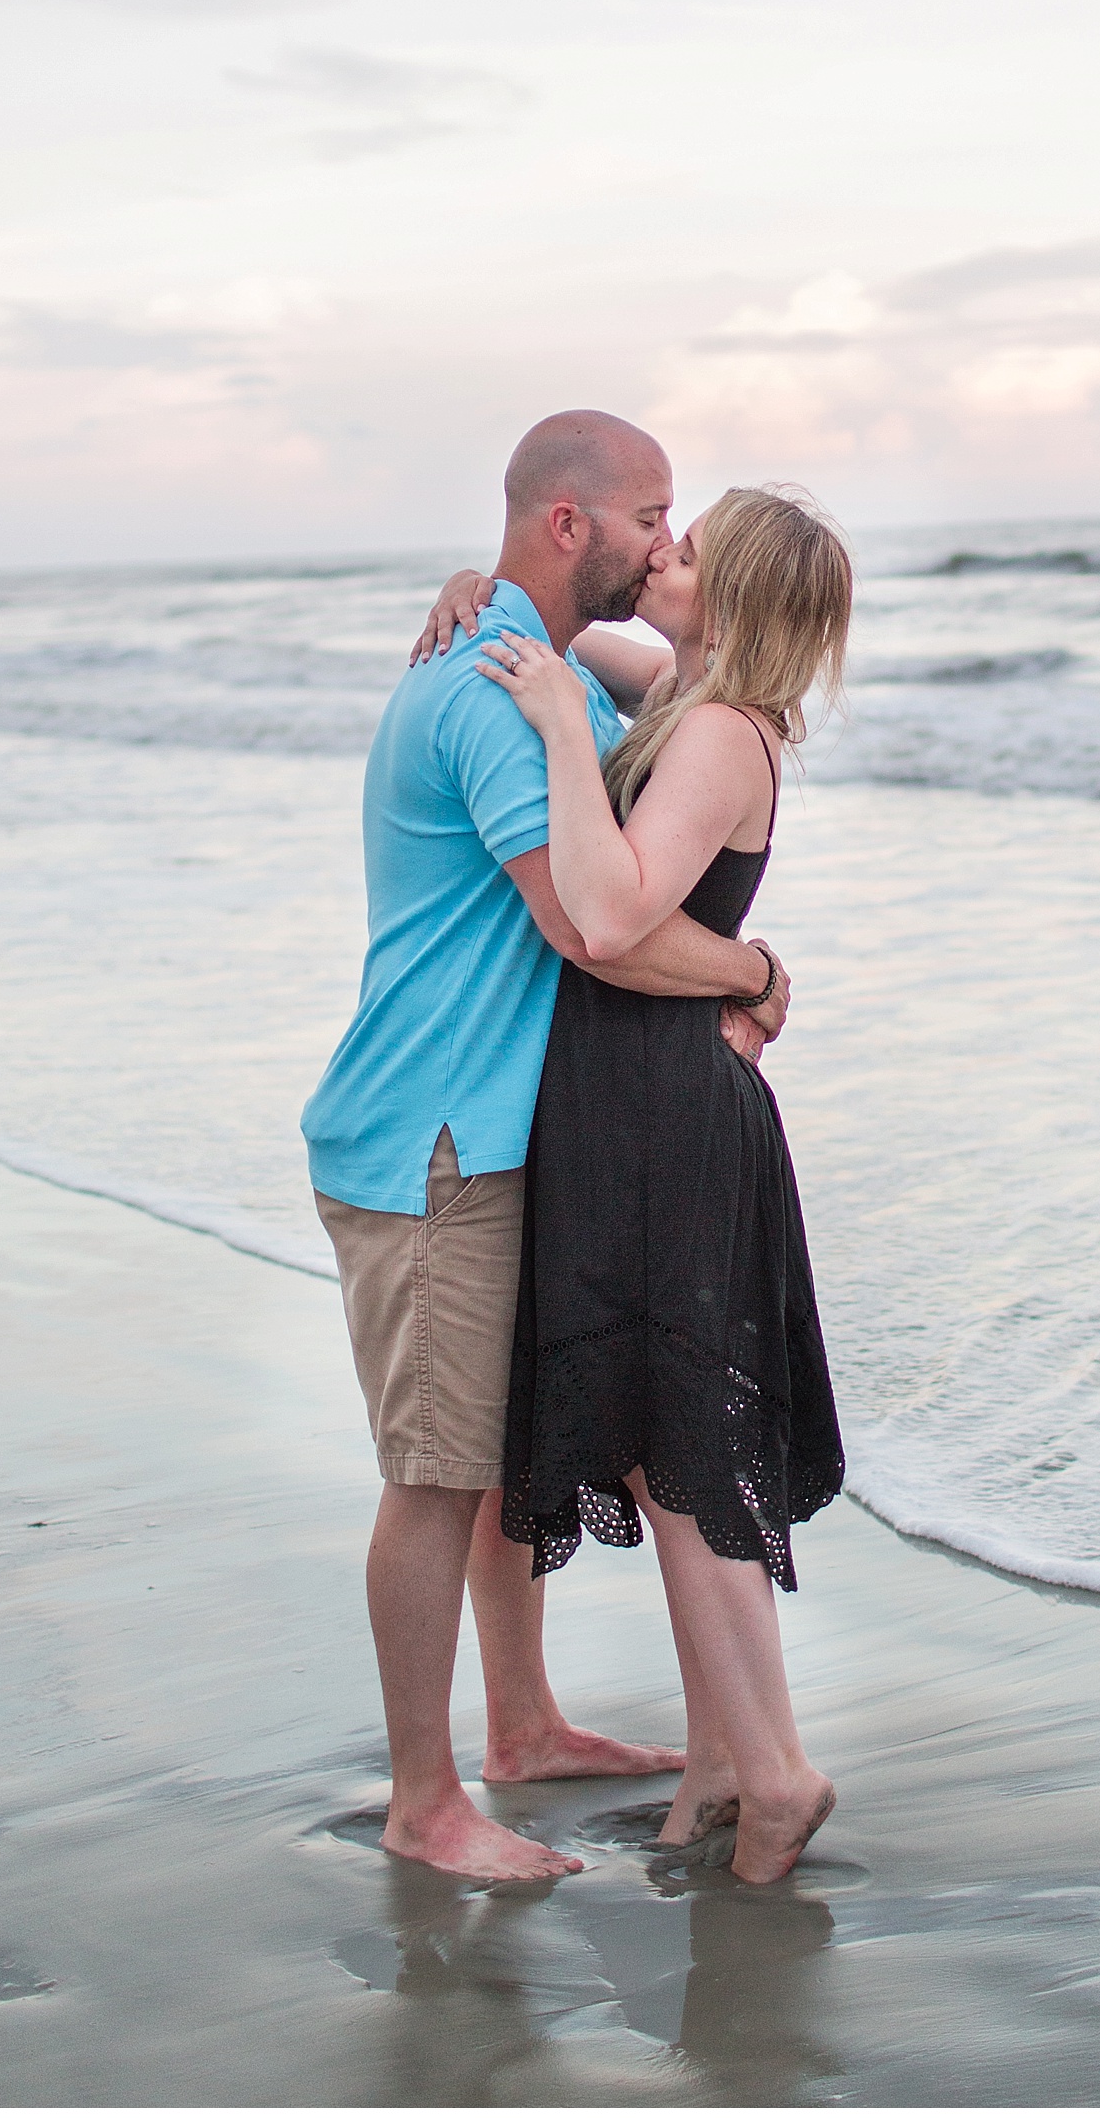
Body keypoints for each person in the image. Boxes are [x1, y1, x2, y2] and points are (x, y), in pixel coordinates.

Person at [300, 411, 790, 1884]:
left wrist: (478, 576)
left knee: (503, 1447)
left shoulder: (546, 659)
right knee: (437, 1476)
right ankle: (423, 1798)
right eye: (650, 512)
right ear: (573, 525)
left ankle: (519, 1726)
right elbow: (595, 924)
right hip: (433, 1143)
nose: (668, 537)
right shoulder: (494, 691)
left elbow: (703, 701)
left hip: (493, 1128)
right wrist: (752, 973)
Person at [430, 484, 851, 1883]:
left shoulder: (724, 736)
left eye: (688, 548)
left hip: (669, 1114)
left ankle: (777, 1769)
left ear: (729, 598)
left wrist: (556, 727)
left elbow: (608, 915)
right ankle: (725, 1761)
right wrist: (469, 592)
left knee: (684, 1461)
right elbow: (564, 634)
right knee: (658, 1452)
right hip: (633, 1107)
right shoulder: (681, 686)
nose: (659, 553)